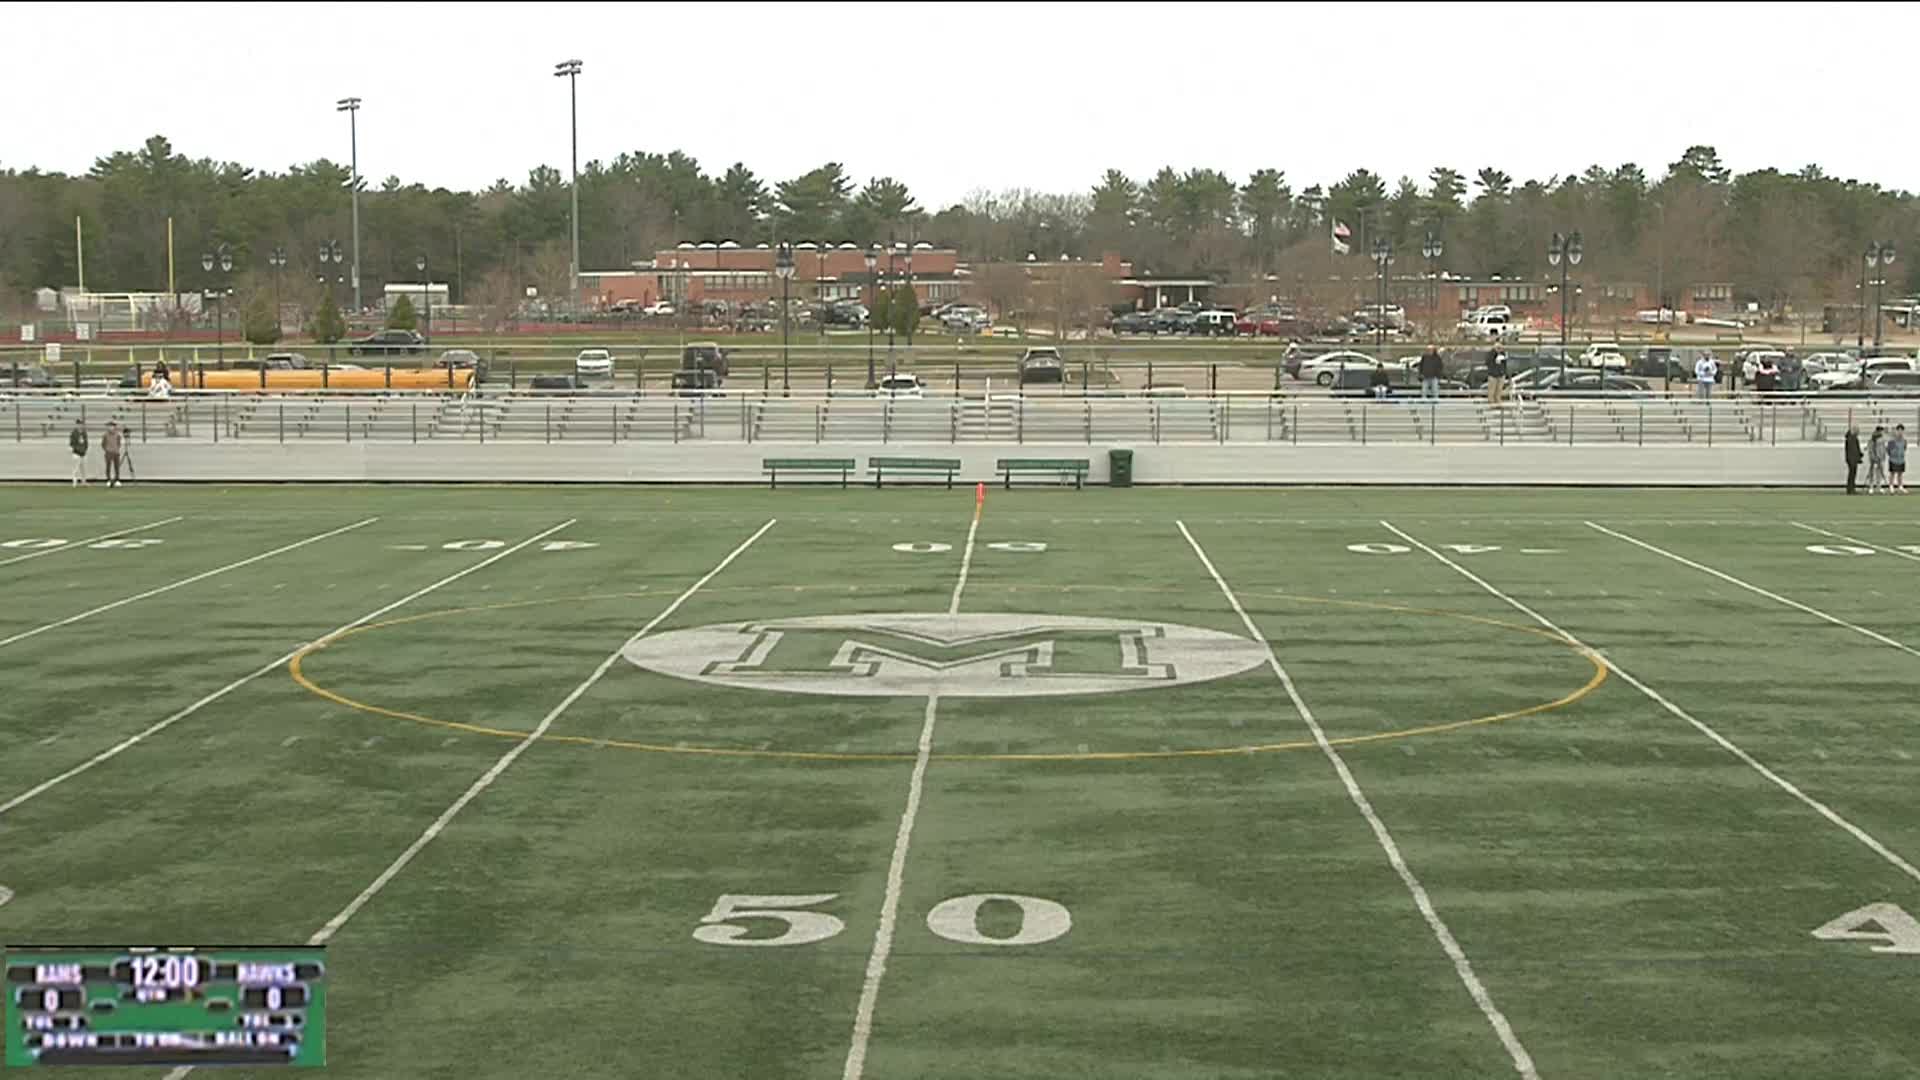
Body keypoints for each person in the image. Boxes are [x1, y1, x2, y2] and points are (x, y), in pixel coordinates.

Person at [101, 421, 124, 488]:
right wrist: (107, 449)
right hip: (108, 452)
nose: (110, 428)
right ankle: (108, 480)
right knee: (108, 466)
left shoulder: (117, 435)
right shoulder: (105, 435)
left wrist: (116, 449)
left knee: (116, 467)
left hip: (116, 452)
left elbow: (119, 443)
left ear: (114, 427)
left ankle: (117, 480)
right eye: (109, 426)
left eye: (112, 426)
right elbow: (103, 444)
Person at [1867, 425, 1888, 494]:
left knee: (1879, 473)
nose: (1882, 432)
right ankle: (1871, 487)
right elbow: (1870, 449)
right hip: (1874, 459)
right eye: (1881, 431)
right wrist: (1873, 457)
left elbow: (1883, 449)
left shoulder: (1883, 439)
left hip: (1881, 459)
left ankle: (1879, 486)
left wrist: (1883, 457)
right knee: (1872, 473)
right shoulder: (1872, 439)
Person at [67, 420, 88, 486]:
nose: (80, 426)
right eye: (78, 424)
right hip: (76, 452)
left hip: (83, 453)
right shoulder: (74, 433)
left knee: (83, 468)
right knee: (76, 468)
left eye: (81, 424)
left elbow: (86, 442)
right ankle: (74, 481)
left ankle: (83, 481)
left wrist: (85, 449)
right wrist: (75, 449)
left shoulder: (84, 433)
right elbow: (72, 443)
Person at [1845, 424, 1864, 494]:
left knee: (1852, 474)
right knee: (1852, 474)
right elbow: (1853, 450)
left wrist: (1859, 454)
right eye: (1858, 431)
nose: (1859, 432)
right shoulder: (1852, 438)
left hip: (1852, 459)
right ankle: (1851, 489)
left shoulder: (1851, 438)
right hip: (1852, 459)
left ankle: (1851, 488)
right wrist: (1858, 456)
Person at [1890, 423, 1909, 494]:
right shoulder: (1892, 440)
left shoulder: (1904, 440)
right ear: (1897, 431)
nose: (1900, 432)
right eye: (1899, 430)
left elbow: (1905, 448)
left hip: (1901, 459)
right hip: (1893, 459)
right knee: (1892, 473)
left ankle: (1900, 486)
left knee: (1900, 473)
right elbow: (1889, 450)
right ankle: (1891, 486)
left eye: (1902, 430)